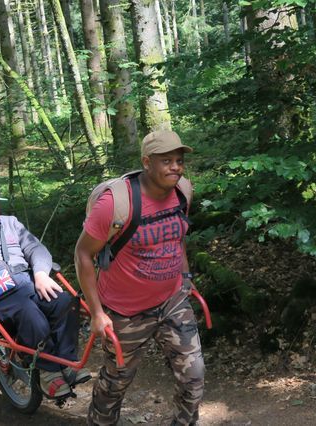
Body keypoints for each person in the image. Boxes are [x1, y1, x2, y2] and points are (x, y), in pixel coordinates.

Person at [74, 130, 205, 426]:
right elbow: (83, 254)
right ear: (147, 162)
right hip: (124, 311)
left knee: (193, 378)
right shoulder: (114, 203)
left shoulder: (183, 190)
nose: (176, 167)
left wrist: (185, 275)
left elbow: (178, 235)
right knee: (116, 383)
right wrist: (96, 313)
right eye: (167, 161)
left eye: (179, 160)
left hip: (172, 300)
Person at [0, 181, 91, 398]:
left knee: (64, 302)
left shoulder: (10, 223)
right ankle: (48, 372)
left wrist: (41, 274)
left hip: (27, 280)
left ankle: (67, 362)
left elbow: (35, 248)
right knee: (29, 312)